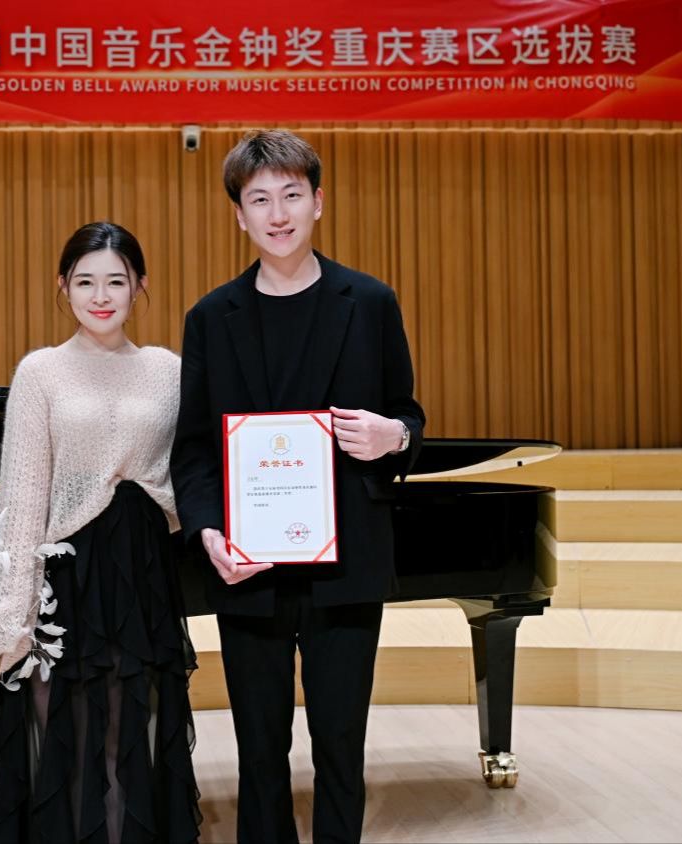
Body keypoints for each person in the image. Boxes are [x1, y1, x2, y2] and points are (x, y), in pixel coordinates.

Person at [170, 130, 425, 844]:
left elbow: (407, 415)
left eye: (291, 195)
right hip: (248, 564)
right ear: (239, 215)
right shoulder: (209, 318)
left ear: (318, 201)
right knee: (259, 752)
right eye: (259, 200)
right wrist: (207, 531)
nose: (277, 214)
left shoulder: (369, 302)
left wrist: (393, 436)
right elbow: (193, 449)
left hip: (347, 564)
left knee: (341, 744)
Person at [0, 221, 201, 844]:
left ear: (140, 286)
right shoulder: (41, 373)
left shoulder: (168, 371)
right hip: (67, 572)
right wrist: (12, 611)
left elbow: (194, 472)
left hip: (143, 571)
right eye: (85, 282)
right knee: (65, 726)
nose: (101, 296)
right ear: (63, 286)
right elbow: (22, 500)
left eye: (116, 282)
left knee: (130, 723)